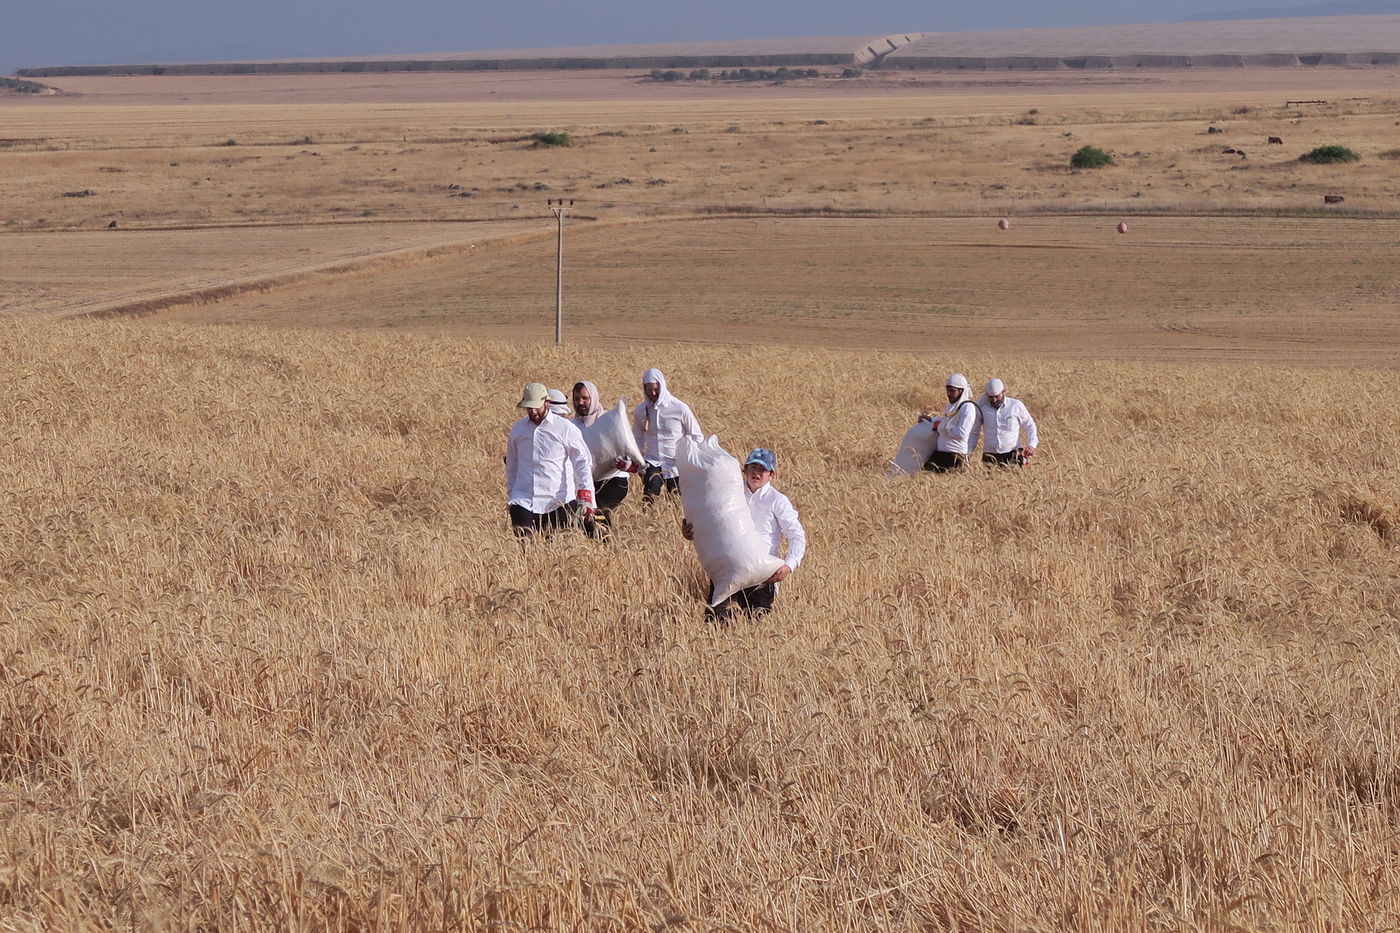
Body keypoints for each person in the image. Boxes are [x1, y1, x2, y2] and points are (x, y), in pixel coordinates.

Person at [683, 448, 806, 621]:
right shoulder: (729, 493)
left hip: (762, 576)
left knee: (757, 629)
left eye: (762, 470)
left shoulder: (777, 501)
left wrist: (788, 566)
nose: (756, 473)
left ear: (771, 475)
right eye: (752, 468)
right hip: (727, 572)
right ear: (745, 470)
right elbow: (711, 519)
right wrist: (691, 531)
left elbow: (797, 536)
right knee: (715, 626)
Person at [504, 382, 595, 537]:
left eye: (536, 407)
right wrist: (512, 494)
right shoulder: (518, 429)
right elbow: (512, 465)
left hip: (558, 502)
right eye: (528, 407)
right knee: (525, 551)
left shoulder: (565, 428)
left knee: (556, 554)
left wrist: (586, 494)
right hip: (523, 500)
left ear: (546, 403)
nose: (532, 411)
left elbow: (582, 462)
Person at [621, 368, 703, 503]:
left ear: (662, 386)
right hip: (653, 461)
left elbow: (696, 435)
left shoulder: (679, 408)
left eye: (655, 389)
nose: (653, 393)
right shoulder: (641, 410)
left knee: (677, 501)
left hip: (675, 463)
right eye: (649, 390)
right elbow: (637, 436)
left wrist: (693, 459)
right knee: (650, 496)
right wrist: (638, 459)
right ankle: (647, 521)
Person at [571, 380, 629, 537]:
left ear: (593, 398)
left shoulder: (608, 421)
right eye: (577, 399)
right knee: (585, 516)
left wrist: (625, 463)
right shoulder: (571, 426)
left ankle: (608, 545)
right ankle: (601, 551)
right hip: (590, 482)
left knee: (599, 510)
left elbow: (626, 447)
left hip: (614, 480)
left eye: (585, 398)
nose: (580, 402)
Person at [923, 372, 980, 472]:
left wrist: (943, 428)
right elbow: (946, 421)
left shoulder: (968, 407)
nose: (949, 394)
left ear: (961, 391)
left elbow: (962, 433)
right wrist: (931, 420)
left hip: (956, 456)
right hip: (941, 453)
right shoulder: (952, 405)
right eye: (947, 390)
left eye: (952, 391)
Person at [976, 378, 1039, 467]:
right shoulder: (982, 408)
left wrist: (1032, 444)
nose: (994, 400)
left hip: (1012, 454)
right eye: (990, 397)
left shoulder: (1015, 405)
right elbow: (974, 431)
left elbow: (1029, 424)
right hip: (989, 456)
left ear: (1003, 392)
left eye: (996, 396)